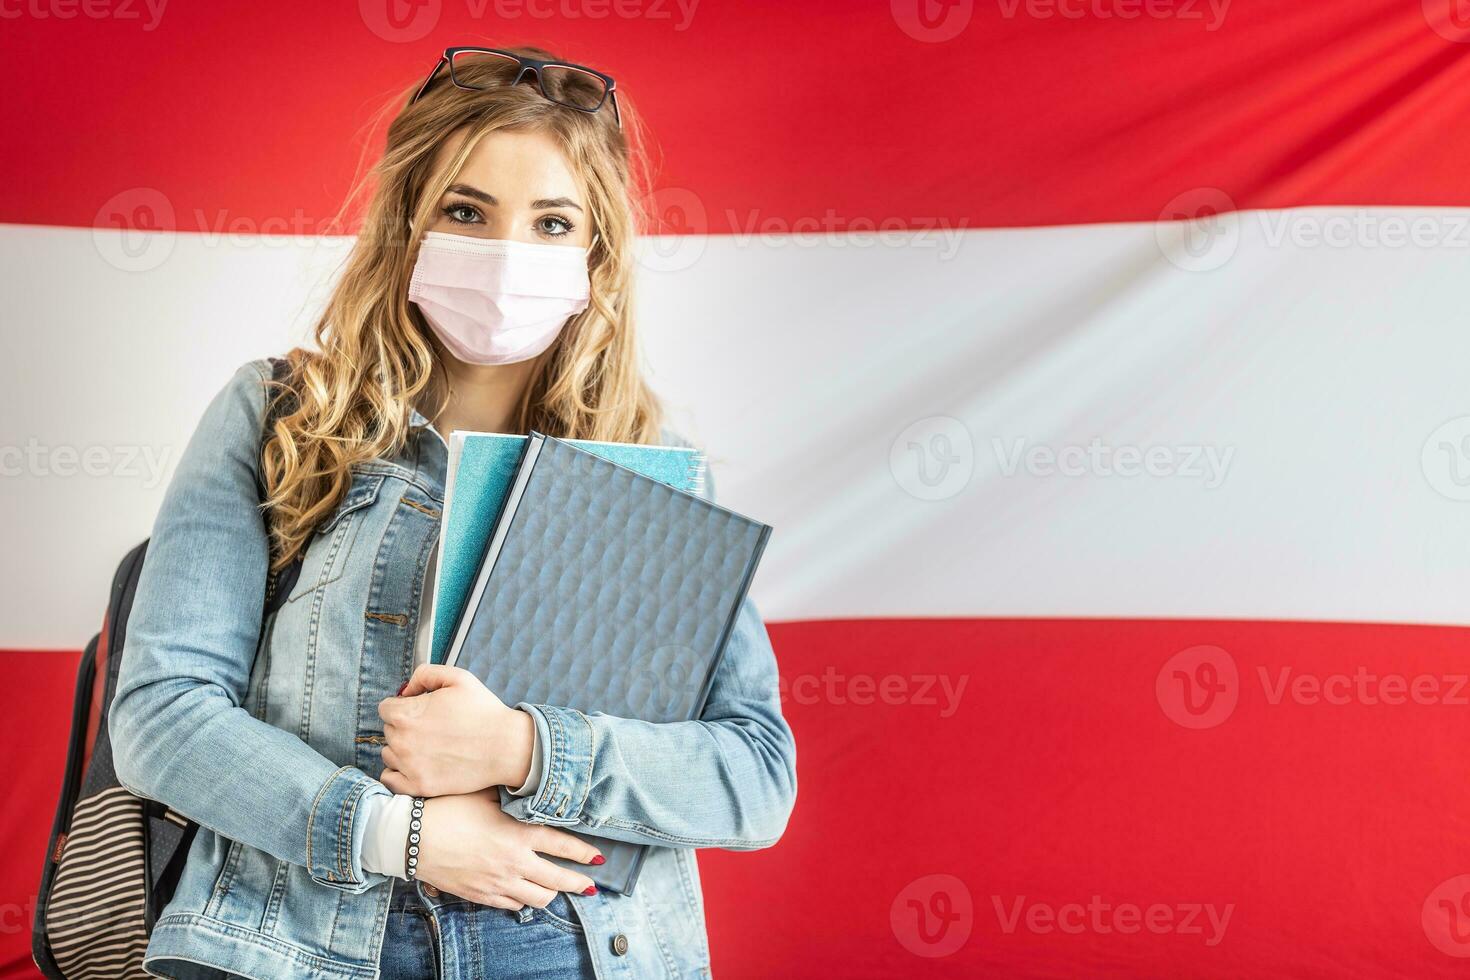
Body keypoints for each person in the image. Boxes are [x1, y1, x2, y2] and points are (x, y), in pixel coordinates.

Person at [109, 44, 797, 979]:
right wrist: (399, 834)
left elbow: (753, 779)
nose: (508, 254)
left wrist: (522, 747)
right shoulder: (278, 417)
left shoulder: (652, 473)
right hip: (292, 946)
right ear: (406, 225)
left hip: (574, 946)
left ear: (594, 259)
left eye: (552, 222)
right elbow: (162, 715)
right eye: (467, 211)